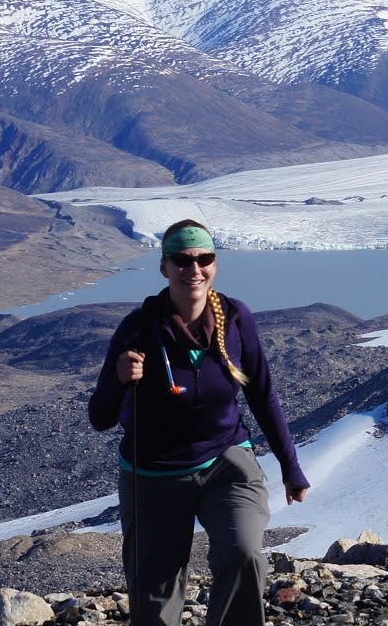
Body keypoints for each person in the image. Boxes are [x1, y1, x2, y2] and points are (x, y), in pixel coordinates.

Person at [89, 218, 310, 626]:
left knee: (243, 554)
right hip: (153, 473)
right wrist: (120, 379)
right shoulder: (137, 329)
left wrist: (290, 466)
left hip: (226, 461)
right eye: (182, 260)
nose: (194, 270)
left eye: (204, 259)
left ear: (215, 264)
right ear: (164, 267)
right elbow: (100, 418)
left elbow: (263, 393)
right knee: (154, 591)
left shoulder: (236, 317)